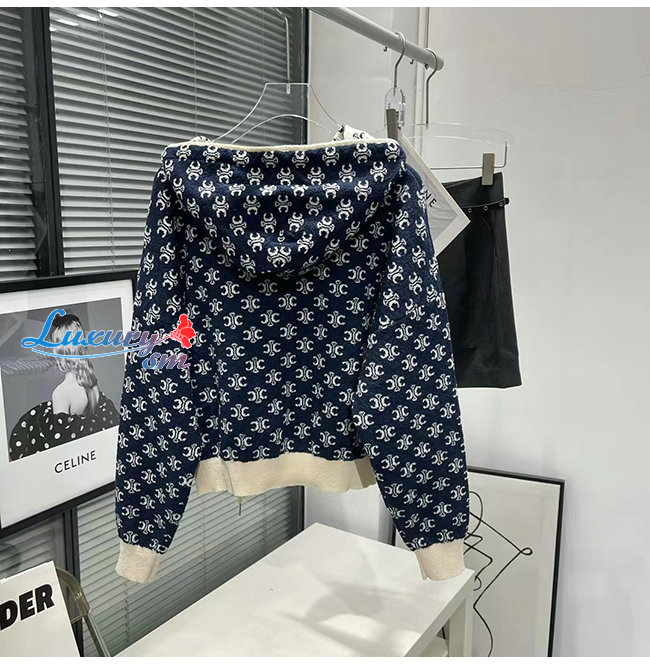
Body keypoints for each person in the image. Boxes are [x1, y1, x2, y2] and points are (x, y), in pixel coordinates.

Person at [8, 311, 119, 461]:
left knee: (32, 424)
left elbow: (60, 443)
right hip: (91, 451)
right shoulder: (92, 384)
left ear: (58, 351)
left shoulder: (61, 393)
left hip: (72, 458)